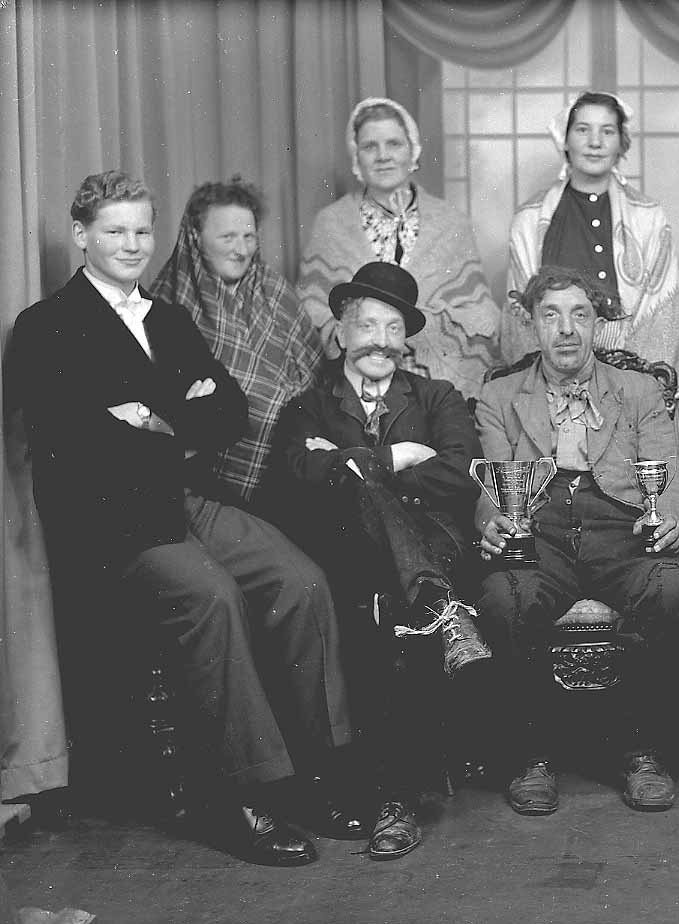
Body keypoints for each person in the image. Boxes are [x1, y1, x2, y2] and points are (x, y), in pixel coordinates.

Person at [8, 171, 356, 867]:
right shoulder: (46, 326)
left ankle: (321, 775)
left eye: (142, 230)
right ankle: (244, 796)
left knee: (301, 581)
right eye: (115, 230)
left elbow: (229, 411)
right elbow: (72, 441)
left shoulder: (168, 318)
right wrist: (176, 421)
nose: (132, 244)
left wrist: (146, 419)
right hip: (111, 523)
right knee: (212, 597)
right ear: (81, 236)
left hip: (186, 499)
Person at [270, 261, 490, 861]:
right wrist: (392, 459)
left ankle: (392, 797)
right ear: (341, 332)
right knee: (394, 609)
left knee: (389, 605)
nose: (381, 341)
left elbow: (461, 472)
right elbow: (294, 478)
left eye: (394, 329)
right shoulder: (308, 406)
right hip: (345, 555)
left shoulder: (437, 397)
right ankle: (441, 611)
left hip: (431, 542)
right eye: (368, 326)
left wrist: (350, 464)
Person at [474, 265, 679, 816]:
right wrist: (493, 522)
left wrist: (673, 518)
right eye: (551, 315)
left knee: (675, 591)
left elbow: (672, 468)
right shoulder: (499, 395)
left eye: (580, 314)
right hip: (540, 531)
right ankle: (532, 757)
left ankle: (643, 751)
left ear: (597, 323)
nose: (566, 329)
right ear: (532, 324)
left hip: (621, 527)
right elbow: (490, 481)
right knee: (504, 600)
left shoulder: (638, 389)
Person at [503, 92, 679, 416]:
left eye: (607, 131)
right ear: (564, 139)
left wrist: (631, 383)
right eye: (583, 130)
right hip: (549, 380)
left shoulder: (648, 216)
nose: (595, 142)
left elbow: (663, 311)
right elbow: (521, 316)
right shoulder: (529, 219)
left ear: (621, 143)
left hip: (630, 377)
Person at [298, 96, 500, 400]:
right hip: (354, 383)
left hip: (435, 383)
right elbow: (312, 311)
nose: (383, 156)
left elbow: (479, 312)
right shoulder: (331, 223)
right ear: (356, 157)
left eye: (394, 144)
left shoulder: (451, 222)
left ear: (412, 150)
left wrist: (420, 329)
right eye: (370, 146)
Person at [150, 176, 323, 505]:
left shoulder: (275, 290)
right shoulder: (166, 307)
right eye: (227, 237)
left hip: (300, 461)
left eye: (248, 236)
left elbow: (318, 374)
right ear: (195, 237)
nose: (241, 250)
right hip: (210, 486)